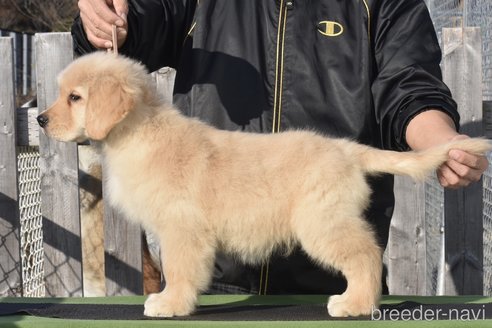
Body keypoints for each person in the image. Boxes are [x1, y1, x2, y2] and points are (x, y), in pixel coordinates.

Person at [72, 0, 489, 295]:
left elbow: (409, 82)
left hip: (327, 283)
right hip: (219, 283)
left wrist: (438, 141)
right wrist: (105, 19)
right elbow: (141, 24)